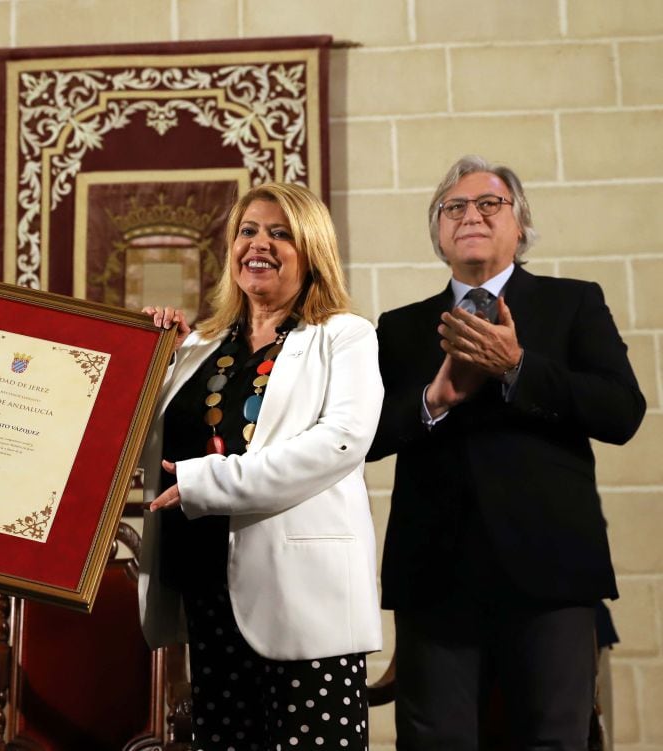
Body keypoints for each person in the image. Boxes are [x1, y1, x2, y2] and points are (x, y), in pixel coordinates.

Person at [367, 155, 645, 750]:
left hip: (551, 571)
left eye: (490, 203)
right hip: (434, 575)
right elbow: (365, 437)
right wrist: (433, 400)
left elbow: (622, 413)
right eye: (455, 207)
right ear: (439, 232)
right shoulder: (399, 326)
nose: (471, 214)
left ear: (520, 226)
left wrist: (518, 367)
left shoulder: (573, 304)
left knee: (553, 738)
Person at [139, 182, 384, 751]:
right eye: (247, 230)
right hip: (207, 592)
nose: (259, 244)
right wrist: (151, 360)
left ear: (311, 250)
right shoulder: (196, 345)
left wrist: (209, 481)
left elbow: (341, 443)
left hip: (305, 604)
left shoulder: (343, 336)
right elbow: (143, 441)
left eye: (279, 233)